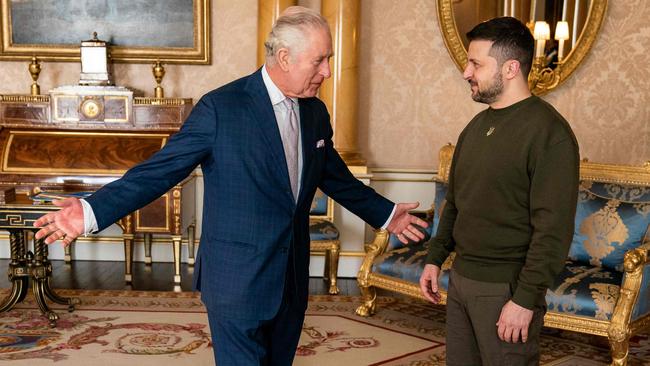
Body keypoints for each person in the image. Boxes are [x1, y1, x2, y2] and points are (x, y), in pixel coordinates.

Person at [33, 6, 428, 366]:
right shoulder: (221, 108)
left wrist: (388, 215)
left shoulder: (315, 111)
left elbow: (334, 176)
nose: (327, 71)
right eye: (319, 61)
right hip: (237, 279)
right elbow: (160, 172)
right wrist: (89, 211)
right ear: (285, 57)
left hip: (290, 276)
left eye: (328, 60)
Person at [419, 17, 579, 365]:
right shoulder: (475, 128)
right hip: (461, 280)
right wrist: (435, 259)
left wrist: (524, 299)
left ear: (510, 68)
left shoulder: (549, 133)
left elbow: (553, 230)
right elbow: (456, 204)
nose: (465, 72)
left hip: (507, 288)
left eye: (475, 63)